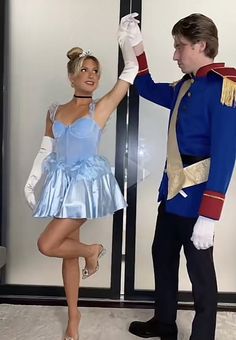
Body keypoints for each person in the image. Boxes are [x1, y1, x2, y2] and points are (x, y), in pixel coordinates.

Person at [118, 13, 236, 340]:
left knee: (200, 275)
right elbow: (144, 87)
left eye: (179, 47)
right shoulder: (185, 86)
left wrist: (209, 218)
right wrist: (136, 44)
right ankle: (165, 322)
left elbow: (226, 156)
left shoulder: (225, 88)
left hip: (198, 203)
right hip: (171, 194)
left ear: (200, 45)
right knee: (163, 256)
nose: (175, 54)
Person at [24, 36, 138, 340]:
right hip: (61, 184)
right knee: (65, 253)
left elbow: (130, 71)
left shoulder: (101, 107)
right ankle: (74, 315)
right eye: (86, 70)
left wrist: (128, 41)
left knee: (47, 244)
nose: (92, 75)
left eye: (96, 71)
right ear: (72, 76)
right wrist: (33, 179)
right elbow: (46, 148)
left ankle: (93, 250)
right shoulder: (54, 110)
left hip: (86, 187)